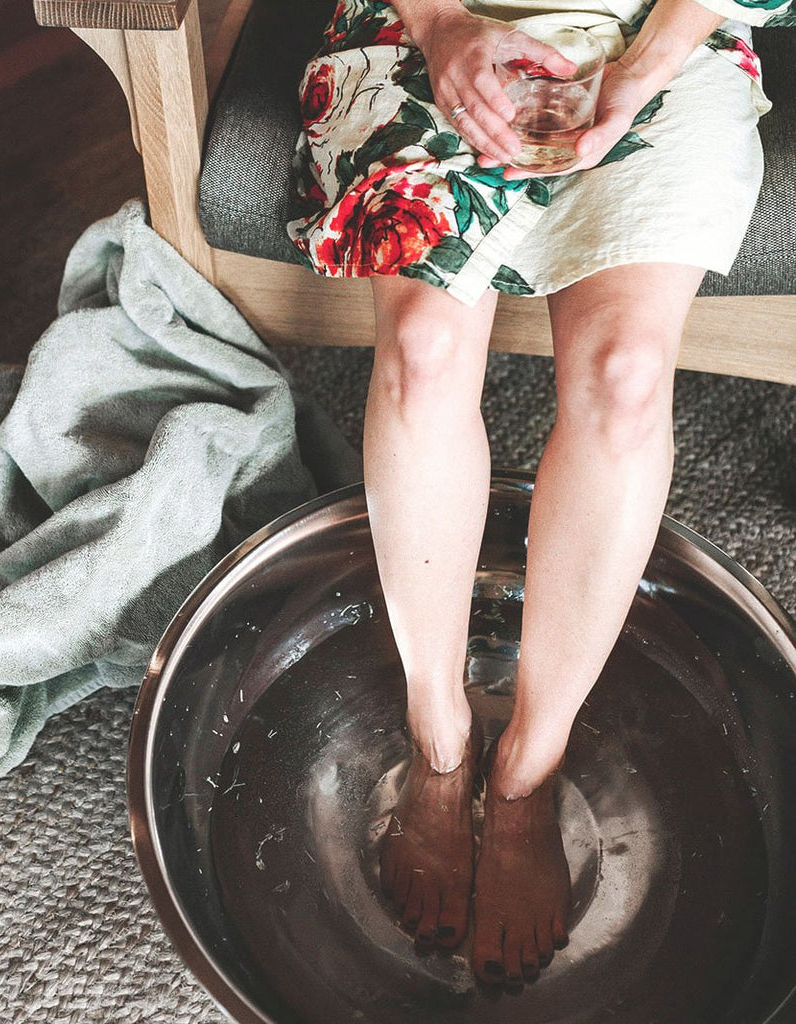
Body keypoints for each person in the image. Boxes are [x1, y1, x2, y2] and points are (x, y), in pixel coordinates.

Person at [286, 0, 786, 987]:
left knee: (627, 374)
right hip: (421, 36)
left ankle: (527, 768)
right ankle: (440, 736)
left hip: (663, 44)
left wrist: (646, 64)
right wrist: (438, 26)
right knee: (425, 354)